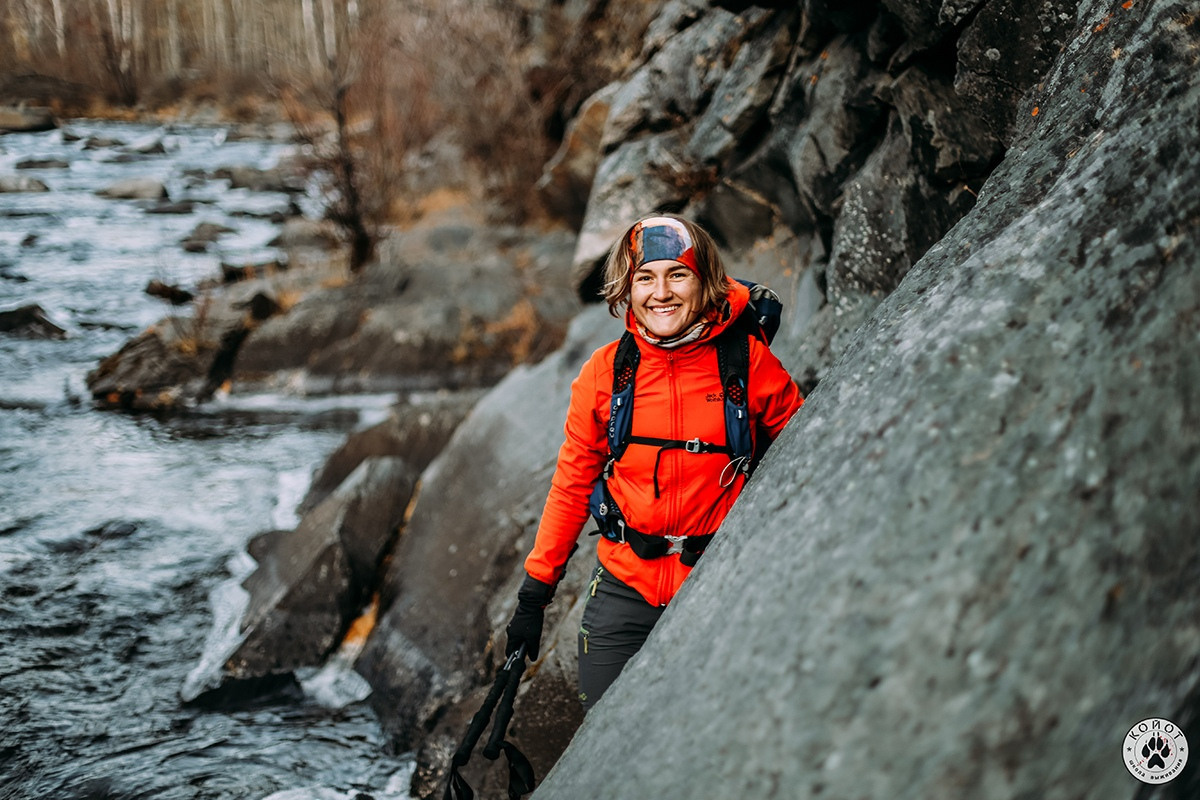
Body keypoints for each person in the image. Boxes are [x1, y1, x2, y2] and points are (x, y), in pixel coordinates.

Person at [504, 213, 803, 710]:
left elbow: (803, 458)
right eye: (645, 277)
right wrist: (534, 595)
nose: (660, 293)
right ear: (627, 289)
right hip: (624, 586)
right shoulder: (604, 373)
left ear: (705, 282)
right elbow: (573, 484)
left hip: (715, 583)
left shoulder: (748, 363)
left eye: (677, 274)